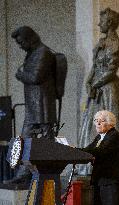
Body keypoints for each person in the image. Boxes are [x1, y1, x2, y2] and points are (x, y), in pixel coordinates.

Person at [78, 8, 119, 175]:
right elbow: (95, 67)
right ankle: (88, 165)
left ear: (109, 23)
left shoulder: (117, 44)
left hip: (109, 89)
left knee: (113, 128)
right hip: (96, 89)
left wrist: (95, 84)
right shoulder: (101, 43)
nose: (99, 24)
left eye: (102, 21)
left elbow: (111, 70)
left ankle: (114, 165)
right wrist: (89, 83)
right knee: (90, 126)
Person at [4, 26, 58, 184]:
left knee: (47, 141)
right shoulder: (32, 54)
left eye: (21, 42)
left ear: (29, 38)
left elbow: (35, 77)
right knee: (24, 140)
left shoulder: (43, 53)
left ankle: (48, 172)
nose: (20, 46)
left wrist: (20, 74)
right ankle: (24, 173)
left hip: (43, 106)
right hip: (33, 107)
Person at [82, 110, 119, 205]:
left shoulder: (114, 136)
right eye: (96, 120)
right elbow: (88, 149)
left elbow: (99, 151)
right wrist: (75, 151)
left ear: (110, 123)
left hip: (110, 181)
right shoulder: (99, 137)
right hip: (100, 180)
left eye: (101, 121)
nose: (97, 123)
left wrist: (78, 151)